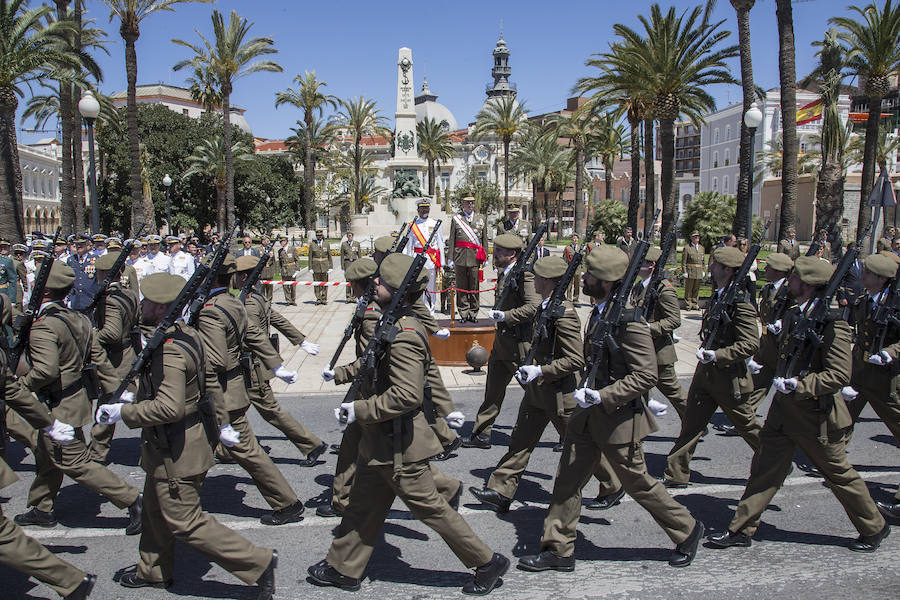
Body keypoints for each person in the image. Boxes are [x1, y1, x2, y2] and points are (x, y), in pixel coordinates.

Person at [307, 253, 509, 595]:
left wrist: (359, 410)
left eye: (382, 282)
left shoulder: (405, 335)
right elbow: (370, 363)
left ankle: (487, 562)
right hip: (380, 441)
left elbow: (406, 396)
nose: (374, 283)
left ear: (398, 290)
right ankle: (343, 568)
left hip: (399, 445)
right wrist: (341, 374)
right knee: (362, 508)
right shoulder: (390, 323)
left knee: (432, 510)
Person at [516, 245, 704, 573]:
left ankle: (687, 529)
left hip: (617, 419)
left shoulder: (630, 321)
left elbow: (647, 374)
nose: (584, 279)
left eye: (591, 275)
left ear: (608, 282)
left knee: (638, 483)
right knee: (568, 480)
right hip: (586, 415)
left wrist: (604, 396)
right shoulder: (601, 311)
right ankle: (558, 549)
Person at [95, 272, 278, 596]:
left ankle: (256, 562)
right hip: (171, 444)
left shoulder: (171, 350)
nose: (142, 305)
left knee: (184, 520)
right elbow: (209, 384)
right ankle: (152, 570)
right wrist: (221, 426)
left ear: (159, 307)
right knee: (154, 509)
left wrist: (123, 412)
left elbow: (170, 408)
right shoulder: (187, 335)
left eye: (147, 301)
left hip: (177, 448)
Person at [707, 256, 890, 553]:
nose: (788, 282)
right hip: (783, 414)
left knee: (839, 474)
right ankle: (741, 528)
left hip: (815, 416)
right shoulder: (793, 314)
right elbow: (776, 357)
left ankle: (873, 526)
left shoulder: (834, 325)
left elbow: (839, 374)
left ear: (806, 284)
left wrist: (800, 386)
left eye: (793, 278)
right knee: (764, 469)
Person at [317, 257, 463, 518]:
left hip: (376, 394)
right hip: (372, 393)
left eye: (352, 284)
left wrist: (344, 376)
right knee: (374, 454)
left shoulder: (376, 315)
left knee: (386, 456)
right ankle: (345, 500)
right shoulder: (372, 307)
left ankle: (344, 500)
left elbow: (373, 358)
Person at [13, 260, 143, 535]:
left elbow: (46, 370)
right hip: (75, 400)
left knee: (73, 461)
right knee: (47, 452)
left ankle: (132, 500)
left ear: (43, 291)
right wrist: (118, 391)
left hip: (57, 404)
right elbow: (100, 360)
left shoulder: (44, 326)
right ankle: (42, 507)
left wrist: (20, 384)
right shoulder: (79, 319)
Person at [470, 255, 601, 513]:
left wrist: (541, 370)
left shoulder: (564, 314)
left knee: (581, 446)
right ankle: (500, 491)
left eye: (538, 276)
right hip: (538, 390)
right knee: (520, 442)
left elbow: (576, 359)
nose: (534, 280)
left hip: (560, 395)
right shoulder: (545, 306)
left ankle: (612, 482)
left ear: (549, 281)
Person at [195, 255, 306, 526]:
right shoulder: (233, 303)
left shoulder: (211, 309)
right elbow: (254, 335)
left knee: (241, 450)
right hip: (233, 389)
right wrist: (277, 365)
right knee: (203, 449)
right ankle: (174, 503)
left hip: (221, 394)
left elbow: (217, 359)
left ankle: (286, 502)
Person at [662, 246, 761, 488]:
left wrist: (717, 355)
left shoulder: (740, 302)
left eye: (715, 264)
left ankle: (774, 461)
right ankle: (676, 473)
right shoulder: (720, 294)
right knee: (692, 424)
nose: (710, 267)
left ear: (727, 269)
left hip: (729, 377)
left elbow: (750, 343)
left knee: (747, 425)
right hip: (706, 374)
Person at [233, 256, 327, 467]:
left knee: (270, 412)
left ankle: (311, 444)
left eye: (236, 275)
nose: (233, 279)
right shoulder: (255, 297)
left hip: (251, 369)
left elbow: (253, 336)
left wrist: (278, 365)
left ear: (245, 277)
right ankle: (225, 448)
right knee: (228, 409)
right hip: (253, 366)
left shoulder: (247, 303)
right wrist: (301, 341)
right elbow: (278, 320)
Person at [462, 234, 540, 449]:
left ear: (512, 254)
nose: (494, 255)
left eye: (499, 252)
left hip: (519, 345)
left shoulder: (524, 276)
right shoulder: (507, 274)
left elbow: (534, 307)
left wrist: (506, 316)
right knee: (493, 392)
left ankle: (570, 432)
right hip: (502, 344)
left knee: (538, 392)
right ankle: (481, 434)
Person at [844, 253, 900, 520]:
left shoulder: (896, 304)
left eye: (867, 273)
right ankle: (833, 465)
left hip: (887, 380)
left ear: (880, 278)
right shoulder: (866, 300)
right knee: (841, 420)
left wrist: (891, 352)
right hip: (862, 374)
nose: (861, 276)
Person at [86, 251, 141, 463]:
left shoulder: (110, 300)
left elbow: (111, 332)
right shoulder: (129, 294)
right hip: (128, 352)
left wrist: (90, 336)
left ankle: (97, 452)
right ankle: (97, 450)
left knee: (112, 402)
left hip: (116, 358)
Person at [746, 253, 794, 415]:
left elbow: (796, 312)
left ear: (780, 271)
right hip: (767, 343)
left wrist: (783, 323)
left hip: (783, 345)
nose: (765, 269)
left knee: (787, 386)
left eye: (770, 267)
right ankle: (746, 418)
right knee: (759, 382)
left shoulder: (790, 291)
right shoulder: (768, 288)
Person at [448, 195, 488, 322]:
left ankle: (473, 313)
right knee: (461, 287)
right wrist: (450, 258)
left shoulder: (481, 218)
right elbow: (452, 239)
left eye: (472, 203)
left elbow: (484, 239)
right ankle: (463, 313)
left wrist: (485, 256)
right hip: (460, 257)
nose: (470, 205)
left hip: (475, 258)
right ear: (463, 204)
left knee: (474, 287)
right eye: (467, 203)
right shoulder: (456, 219)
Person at [404, 200, 444, 313]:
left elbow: (440, 243)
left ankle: (431, 310)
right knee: (418, 287)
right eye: (422, 208)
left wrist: (442, 262)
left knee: (431, 287)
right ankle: (420, 310)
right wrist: (409, 263)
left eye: (427, 208)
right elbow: (409, 246)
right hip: (418, 260)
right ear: (418, 210)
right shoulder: (412, 226)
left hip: (432, 260)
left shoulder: (435, 223)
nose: (425, 210)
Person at [65, 235, 97, 312]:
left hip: (90, 300)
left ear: (87, 245)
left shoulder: (95, 259)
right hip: (75, 301)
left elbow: (98, 280)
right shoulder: (71, 260)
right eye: (76, 244)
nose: (78, 246)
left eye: (81, 244)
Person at [681, 230, 704, 310]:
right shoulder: (687, 248)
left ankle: (695, 303)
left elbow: (703, 261)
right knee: (689, 289)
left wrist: (703, 270)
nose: (696, 238)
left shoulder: (701, 248)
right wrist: (684, 271)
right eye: (694, 237)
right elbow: (684, 261)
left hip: (699, 271)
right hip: (690, 270)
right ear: (691, 238)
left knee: (696, 288)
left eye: (697, 236)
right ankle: (688, 304)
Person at [309, 230, 333, 305]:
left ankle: (324, 298)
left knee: (324, 284)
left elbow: (329, 256)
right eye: (318, 236)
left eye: (320, 235)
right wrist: (310, 268)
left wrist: (330, 267)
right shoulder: (312, 245)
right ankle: (318, 298)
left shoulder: (326, 244)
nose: (319, 237)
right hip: (316, 267)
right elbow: (310, 257)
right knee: (316, 284)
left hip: (324, 266)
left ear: (322, 236)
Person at [276, 235, 298, 305]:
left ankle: (293, 300)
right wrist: (280, 270)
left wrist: (297, 269)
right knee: (285, 286)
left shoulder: (292, 249)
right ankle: (288, 300)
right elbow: (280, 261)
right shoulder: (280, 251)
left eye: (283, 241)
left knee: (293, 286)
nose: (281, 243)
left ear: (286, 242)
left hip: (292, 269)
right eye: (281, 242)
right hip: (284, 270)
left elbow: (297, 259)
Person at [340, 232, 362, 302]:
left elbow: (359, 255)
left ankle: (354, 296)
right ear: (347, 237)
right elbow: (342, 256)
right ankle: (348, 297)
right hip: (347, 263)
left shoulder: (357, 244)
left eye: (351, 236)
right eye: (349, 236)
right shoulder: (344, 244)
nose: (350, 237)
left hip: (354, 263)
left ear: (353, 236)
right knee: (348, 280)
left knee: (355, 280)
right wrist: (343, 267)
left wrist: (360, 265)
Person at [563, 234, 582, 304]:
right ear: (571, 239)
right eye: (574, 238)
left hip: (578, 269)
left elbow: (582, 259)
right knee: (569, 285)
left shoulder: (580, 248)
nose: (575, 240)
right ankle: (569, 298)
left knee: (577, 285)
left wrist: (582, 269)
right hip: (570, 268)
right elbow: (565, 259)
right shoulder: (567, 248)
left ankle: (576, 299)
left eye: (576, 239)